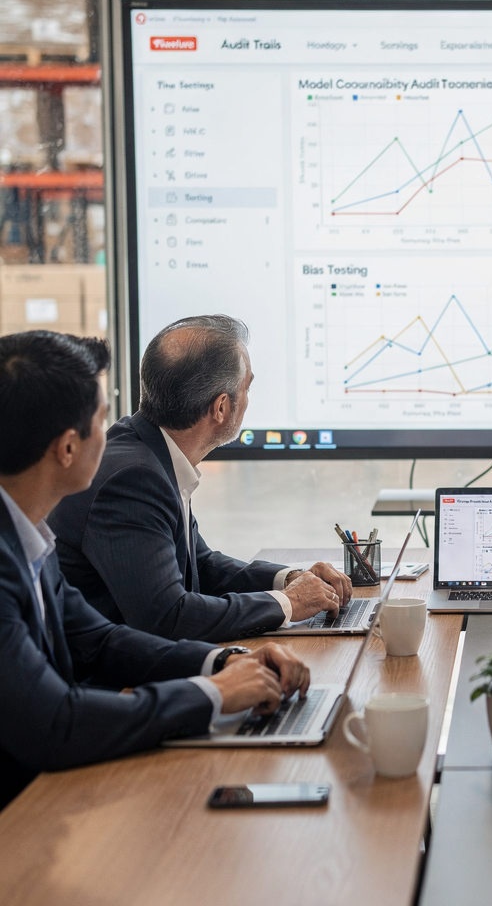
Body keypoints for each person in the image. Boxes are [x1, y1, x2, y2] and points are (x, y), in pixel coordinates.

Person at [0, 331, 310, 810]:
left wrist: (224, 663)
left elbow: (98, 639)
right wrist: (209, 694)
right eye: (102, 419)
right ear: (66, 449)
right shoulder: (123, 477)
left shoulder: (25, 534)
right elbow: (54, 721)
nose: (116, 429)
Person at [50, 315, 352, 644]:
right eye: (247, 386)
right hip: (110, 683)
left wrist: (291, 578)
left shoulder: (148, 450)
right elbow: (167, 617)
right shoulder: (132, 479)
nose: (249, 397)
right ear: (221, 407)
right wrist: (289, 604)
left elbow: (201, 565)